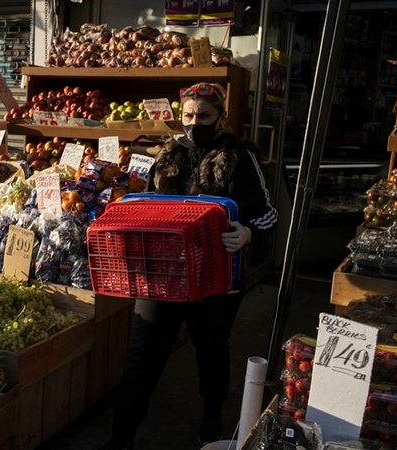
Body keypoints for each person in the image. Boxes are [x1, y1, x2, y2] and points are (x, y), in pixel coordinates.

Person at [100, 82, 278, 449]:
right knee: (142, 356)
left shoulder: (241, 156)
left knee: (212, 353)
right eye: (189, 116)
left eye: (205, 116)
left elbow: (268, 215)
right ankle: (121, 438)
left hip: (216, 279)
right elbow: (148, 207)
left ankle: (212, 421)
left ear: (222, 117)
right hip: (163, 275)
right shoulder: (168, 155)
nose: (195, 123)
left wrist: (246, 233)